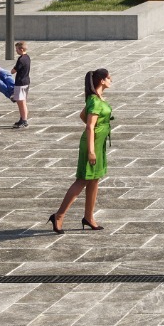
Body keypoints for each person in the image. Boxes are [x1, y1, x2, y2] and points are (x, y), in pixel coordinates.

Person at [49, 68, 113, 232]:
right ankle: (59, 215)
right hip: (92, 143)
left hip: (99, 143)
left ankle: (89, 217)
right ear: (101, 81)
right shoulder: (94, 100)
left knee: (94, 179)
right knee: (83, 179)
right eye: (108, 77)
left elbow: (82, 115)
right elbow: (90, 127)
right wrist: (91, 150)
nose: (111, 79)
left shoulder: (97, 98)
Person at [11, 43, 31, 129]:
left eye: (17, 49)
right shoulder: (27, 57)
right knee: (23, 102)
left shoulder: (21, 59)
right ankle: (22, 119)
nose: (16, 51)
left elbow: (13, 70)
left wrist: (10, 71)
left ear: (21, 49)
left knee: (21, 103)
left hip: (20, 83)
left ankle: (24, 120)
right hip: (26, 82)